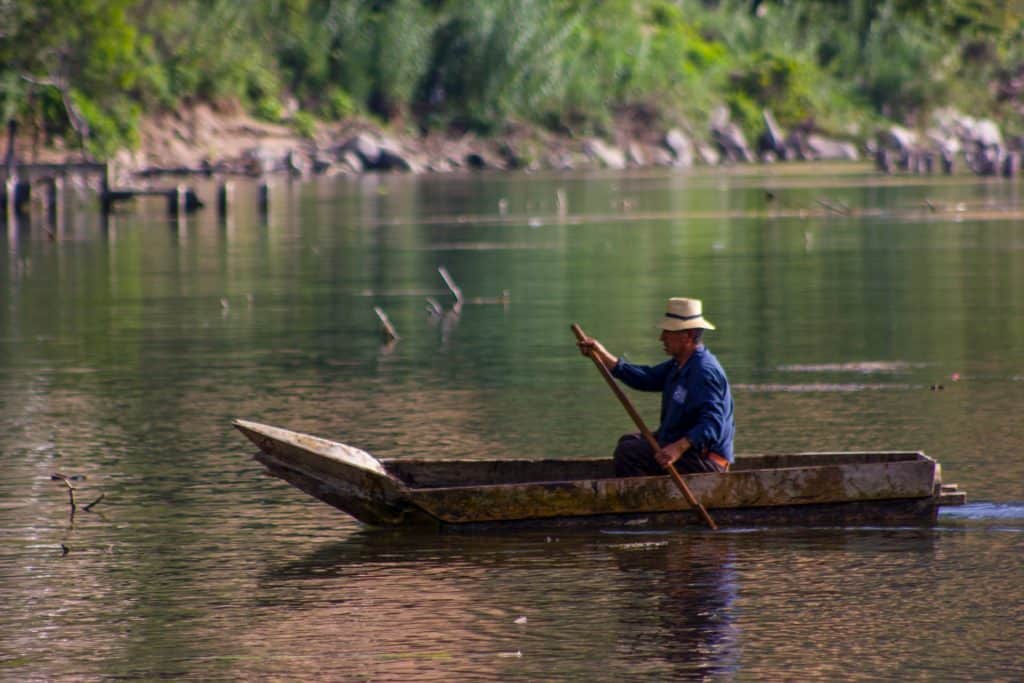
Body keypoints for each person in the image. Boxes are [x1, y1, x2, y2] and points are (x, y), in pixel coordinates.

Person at [577, 297, 735, 476]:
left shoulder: (703, 372)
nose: (662, 338)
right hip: (687, 453)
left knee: (629, 453)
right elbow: (646, 378)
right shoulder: (680, 364)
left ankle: (643, 501)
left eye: (668, 332)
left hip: (706, 462)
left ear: (688, 335)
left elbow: (713, 424)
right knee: (628, 441)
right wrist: (601, 355)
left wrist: (678, 448)